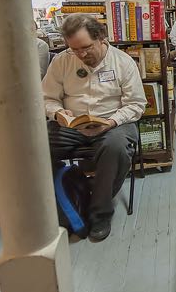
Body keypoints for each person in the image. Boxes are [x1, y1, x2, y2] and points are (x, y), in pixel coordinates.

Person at [42, 14, 146, 241]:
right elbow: (47, 98)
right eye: (74, 49)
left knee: (116, 148)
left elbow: (137, 105)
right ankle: (66, 204)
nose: (81, 54)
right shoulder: (62, 61)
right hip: (72, 125)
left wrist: (110, 122)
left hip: (112, 123)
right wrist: (58, 113)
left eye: (86, 47)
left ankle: (99, 214)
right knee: (37, 148)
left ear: (101, 38)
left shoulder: (123, 62)